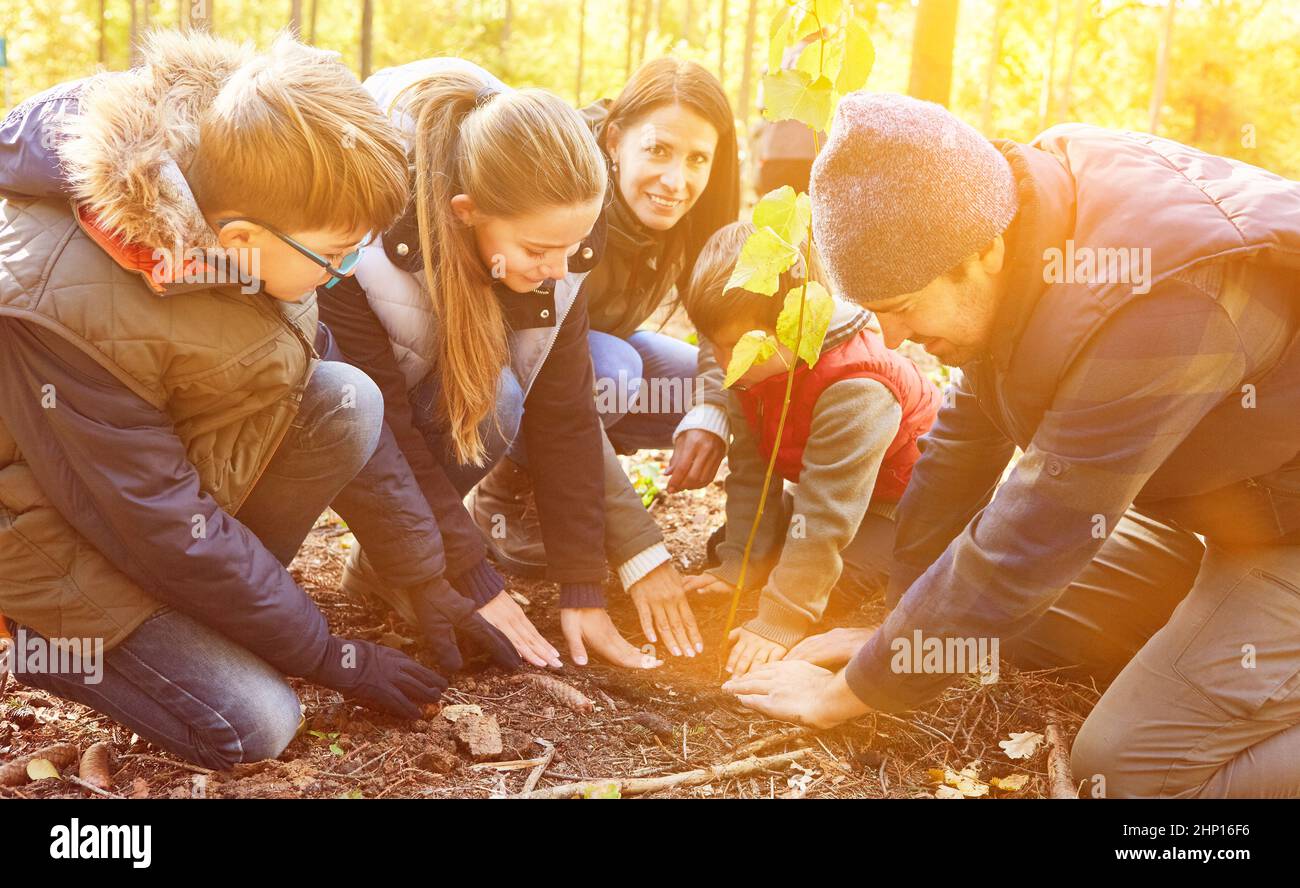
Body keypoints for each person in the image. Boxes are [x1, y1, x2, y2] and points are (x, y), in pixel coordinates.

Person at [724, 92, 1300, 799]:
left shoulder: (1163, 302)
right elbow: (965, 439)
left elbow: (1034, 535)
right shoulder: (1023, 214)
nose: (894, 339)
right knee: (996, 636)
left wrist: (851, 692)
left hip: (1286, 530)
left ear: (985, 252)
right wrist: (897, 624)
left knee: (1128, 773)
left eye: (902, 307)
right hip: (1228, 499)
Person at [0, 31, 515, 771]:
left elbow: (314, 368)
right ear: (240, 237)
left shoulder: (245, 209)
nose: (342, 274)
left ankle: (217, 620)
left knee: (345, 401)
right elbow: (159, 523)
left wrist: (424, 575)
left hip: (151, 511)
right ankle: (54, 647)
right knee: (256, 724)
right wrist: (329, 656)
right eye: (334, 255)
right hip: (51, 536)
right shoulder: (65, 303)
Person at [324, 57, 659, 669]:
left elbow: (565, 413)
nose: (560, 268)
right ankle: (401, 558)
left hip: (417, 429)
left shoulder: (559, 253)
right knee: (485, 395)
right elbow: (384, 429)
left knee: (502, 396)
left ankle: (390, 565)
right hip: (345, 431)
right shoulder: (362, 243)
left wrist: (582, 585)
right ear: (465, 210)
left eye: (575, 245)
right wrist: (473, 573)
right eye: (538, 249)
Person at [467, 58, 741, 660]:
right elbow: (556, 391)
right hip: (523, 376)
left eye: (697, 159)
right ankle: (502, 498)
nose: (676, 179)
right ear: (615, 140)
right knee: (615, 372)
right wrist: (639, 550)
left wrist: (713, 411)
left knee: (710, 385)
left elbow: (727, 330)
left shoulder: (692, 217)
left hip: (596, 358)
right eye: (659, 150)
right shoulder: (568, 203)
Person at [680, 222, 939, 677]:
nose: (726, 364)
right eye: (715, 347)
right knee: (732, 549)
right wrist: (740, 561)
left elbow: (826, 512)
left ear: (796, 326)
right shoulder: (750, 364)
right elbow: (750, 467)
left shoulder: (857, 384)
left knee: (826, 589)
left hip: (902, 507)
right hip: (832, 489)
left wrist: (779, 619)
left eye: (737, 348)